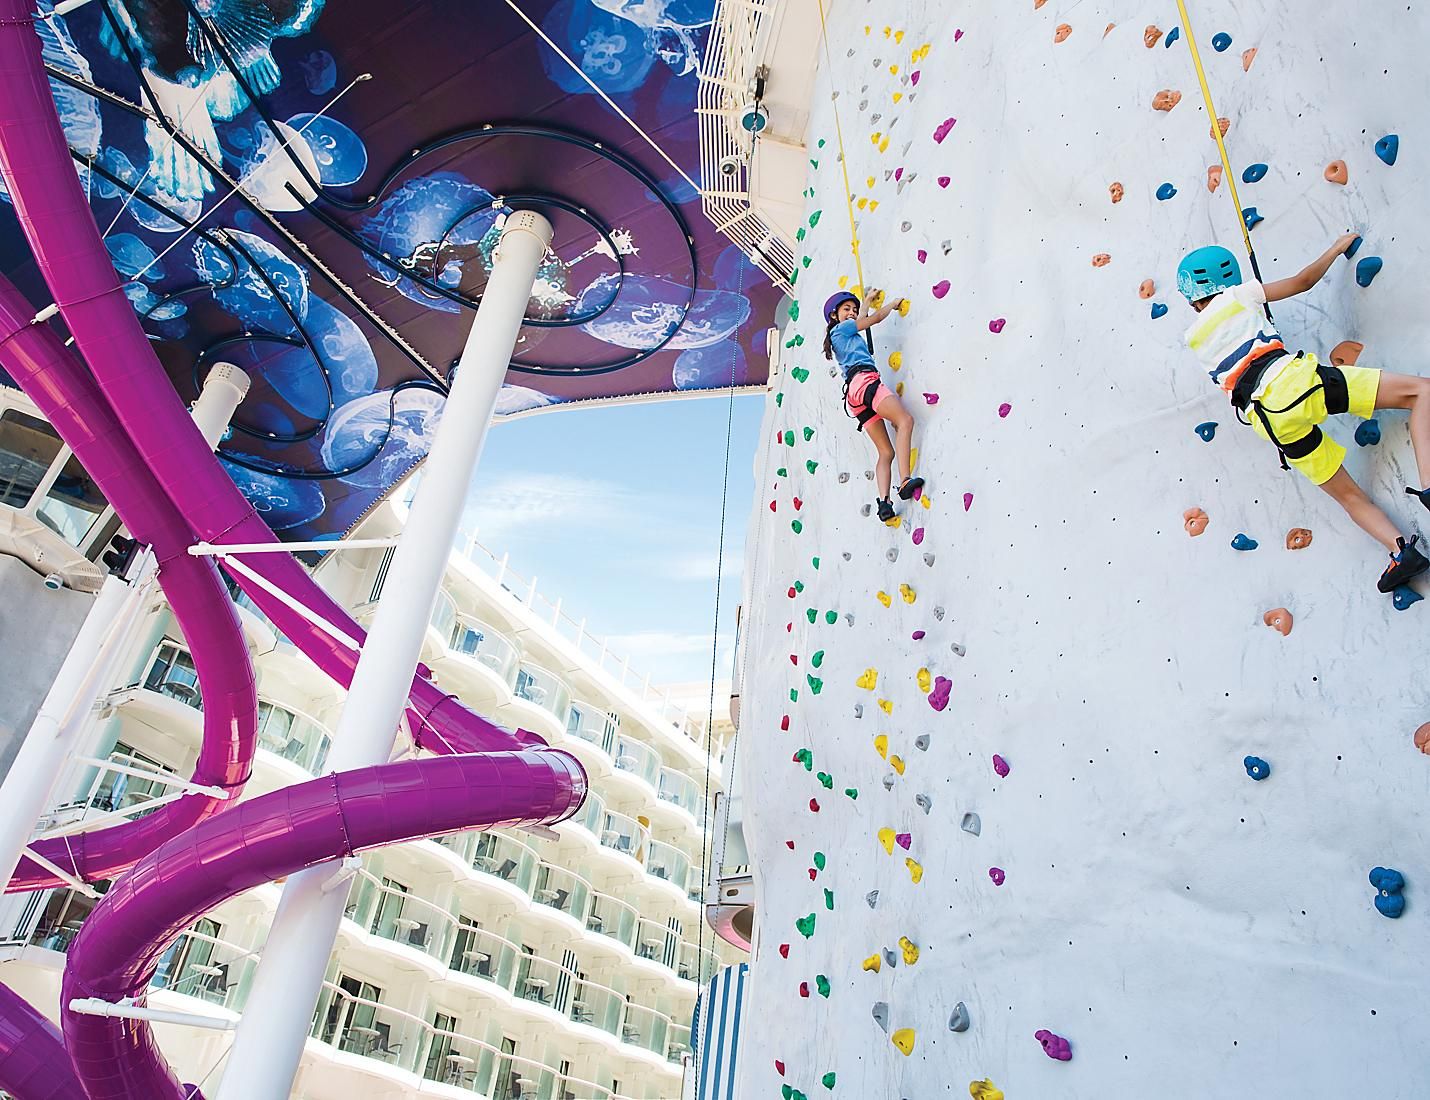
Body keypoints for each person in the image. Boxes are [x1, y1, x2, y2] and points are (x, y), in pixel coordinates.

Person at [1178, 236, 1430, 593]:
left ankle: (1400, 551)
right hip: (1294, 384)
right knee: (1421, 392)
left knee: (1348, 496)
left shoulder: (1194, 338)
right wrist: (1335, 248)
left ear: (1192, 298)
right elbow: (1302, 282)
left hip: (1270, 422)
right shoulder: (1237, 296)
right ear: (1229, 278)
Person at [823, 288, 924, 523]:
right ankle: (906, 480)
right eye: (846, 309)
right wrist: (891, 304)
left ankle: (884, 503)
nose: (852, 313)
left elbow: (862, 321)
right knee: (905, 421)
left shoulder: (840, 336)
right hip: (865, 381)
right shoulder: (842, 329)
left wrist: (866, 302)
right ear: (834, 316)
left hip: (854, 396)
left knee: (885, 452)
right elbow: (874, 320)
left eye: (854, 309)